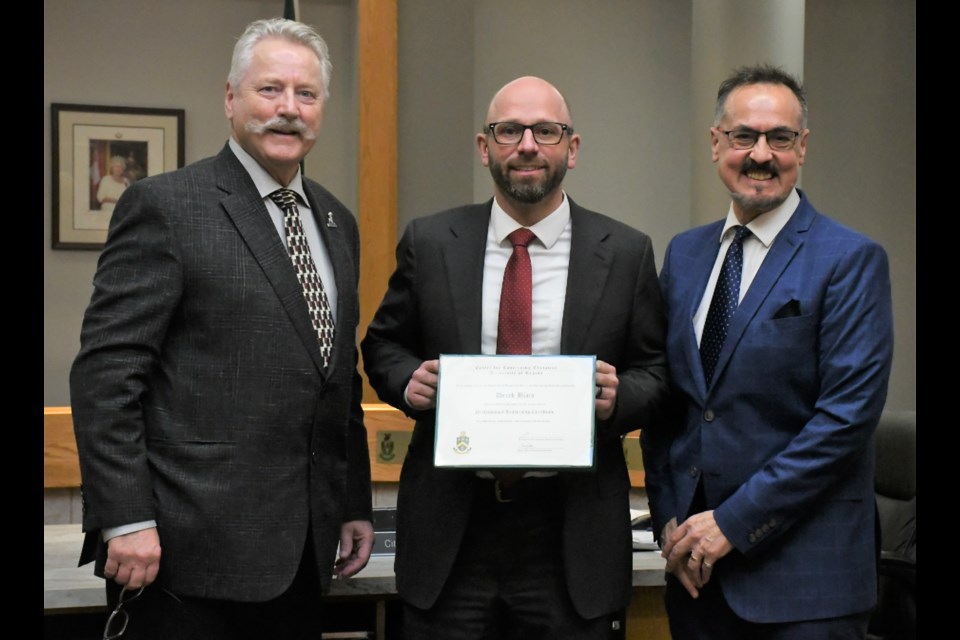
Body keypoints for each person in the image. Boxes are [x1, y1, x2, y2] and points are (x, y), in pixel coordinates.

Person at [70, 18, 374, 639]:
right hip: (183, 555)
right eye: (269, 90)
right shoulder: (167, 206)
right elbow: (108, 374)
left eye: (306, 94)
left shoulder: (338, 222)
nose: (288, 109)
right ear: (230, 98)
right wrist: (124, 518)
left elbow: (338, 378)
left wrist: (352, 504)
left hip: (302, 558)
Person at [361, 76, 670, 639]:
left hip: (569, 533)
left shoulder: (626, 252)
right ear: (485, 147)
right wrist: (408, 382)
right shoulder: (431, 241)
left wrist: (619, 397)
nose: (527, 145)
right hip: (453, 533)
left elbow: (657, 370)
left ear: (570, 149)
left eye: (545, 131)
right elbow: (383, 344)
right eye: (509, 131)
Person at [641, 64, 894, 639]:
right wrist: (670, 524)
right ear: (716, 144)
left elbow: (845, 420)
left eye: (780, 138)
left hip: (806, 588)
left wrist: (731, 522)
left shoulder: (849, 259)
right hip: (696, 578)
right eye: (743, 137)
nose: (762, 154)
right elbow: (668, 402)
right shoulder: (685, 255)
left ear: (802, 147)